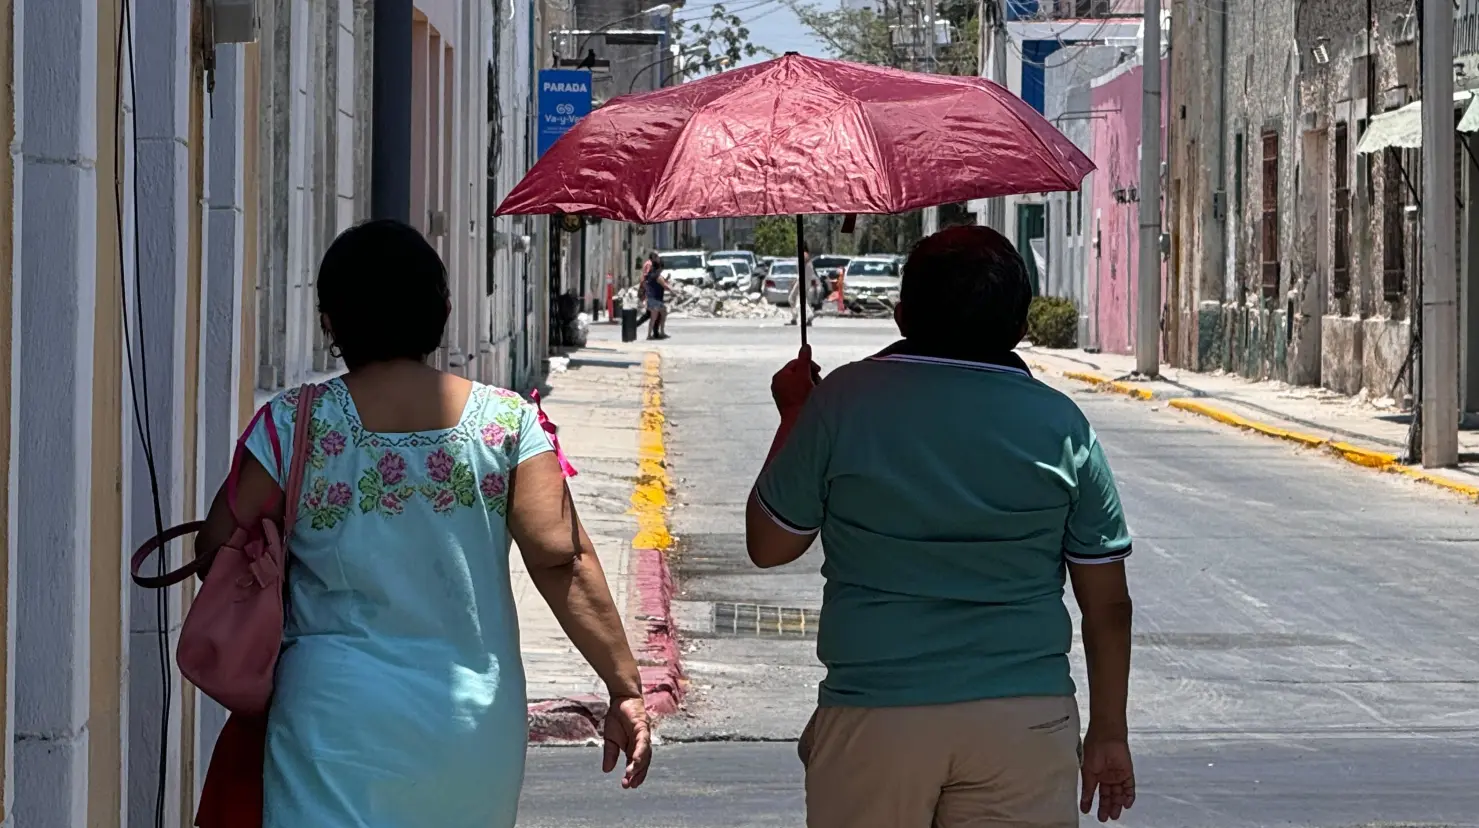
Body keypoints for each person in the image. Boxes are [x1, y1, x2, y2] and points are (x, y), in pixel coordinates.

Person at [194, 219, 652, 827]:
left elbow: (215, 551)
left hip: (330, 721)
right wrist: (624, 687)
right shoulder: (509, 425)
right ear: (442, 309)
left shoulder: (293, 425)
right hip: (468, 727)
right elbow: (560, 558)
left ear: (331, 321)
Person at [746, 225, 1135, 828]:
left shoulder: (843, 402)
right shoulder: (1063, 427)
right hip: (1025, 721)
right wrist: (1109, 730)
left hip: (877, 718)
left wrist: (797, 413)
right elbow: (1107, 604)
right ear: (1022, 325)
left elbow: (771, 544)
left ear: (902, 315)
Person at [786, 245, 820, 327]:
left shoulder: (804, 255)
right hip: (802, 279)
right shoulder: (805, 257)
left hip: (804, 280)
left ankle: (809, 316)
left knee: (798, 300)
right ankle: (795, 317)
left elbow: (805, 267)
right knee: (792, 298)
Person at [645, 251, 672, 340]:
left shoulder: (652, 273)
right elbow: (664, 285)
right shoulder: (658, 276)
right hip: (655, 299)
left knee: (662, 313)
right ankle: (652, 334)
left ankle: (658, 333)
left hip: (653, 298)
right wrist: (673, 291)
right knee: (654, 317)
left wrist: (666, 279)